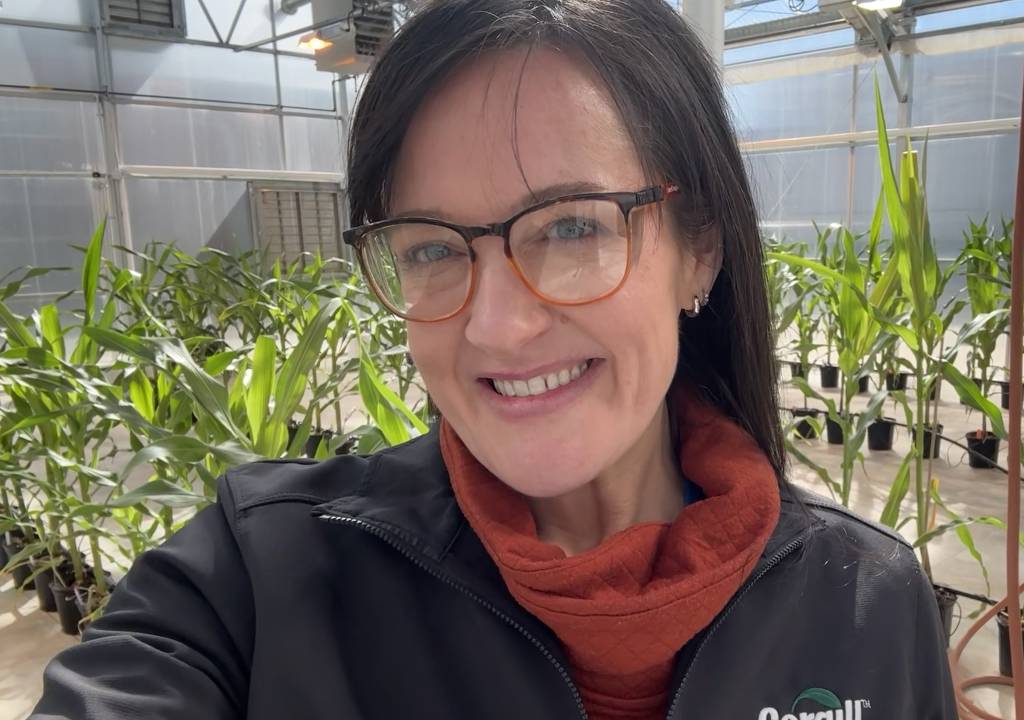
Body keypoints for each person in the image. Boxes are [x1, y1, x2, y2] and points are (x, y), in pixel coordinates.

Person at [29, 1, 955, 718]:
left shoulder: (867, 608)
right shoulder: (263, 574)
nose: (499, 327)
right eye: (432, 248)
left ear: (700, 247)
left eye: (571, 227)